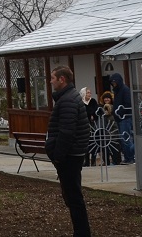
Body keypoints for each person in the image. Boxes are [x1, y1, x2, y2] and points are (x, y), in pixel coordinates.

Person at [46, 66, 91, 237]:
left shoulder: (67, 101)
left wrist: (58, 156)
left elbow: (67, 132)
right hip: (72, 154)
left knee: (74, 197)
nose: (50, 81)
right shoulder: (68, 98)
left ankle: (82, 233)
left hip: (69, 156)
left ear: (62, 79)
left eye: (52, 78)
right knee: (72, 196)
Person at [108, 72, 134, 164]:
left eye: (114, 82)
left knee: (126, 138)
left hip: (125, 118)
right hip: (119, 118)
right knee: (123, 139)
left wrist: (120, 112)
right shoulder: (117, 91)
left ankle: (130, 157)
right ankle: (127, 157)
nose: (113, 84)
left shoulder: (125, 90)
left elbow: (128, 104)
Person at [98, 91, 122, 166]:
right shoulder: (101, 109)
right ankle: (106, 161)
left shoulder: (114, 108)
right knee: (105, 149)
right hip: (104, 133)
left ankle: (116, 161)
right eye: (105, 98)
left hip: (113, 133)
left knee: (115, 149)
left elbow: (114, 123)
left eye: (108, 98)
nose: (106, 99)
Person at [79, 87, 98, 167]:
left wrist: (91, 114)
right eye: (87, 93)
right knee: (85, 144)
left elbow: (95, 111)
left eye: (90, 93)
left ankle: (93, 161)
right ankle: (86, 161)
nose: (89, 94)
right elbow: (83, 113)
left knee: (93, 142)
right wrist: (90, 114)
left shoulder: (93, 101)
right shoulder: (80, 102)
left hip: (93, 125)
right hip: (84, 125)